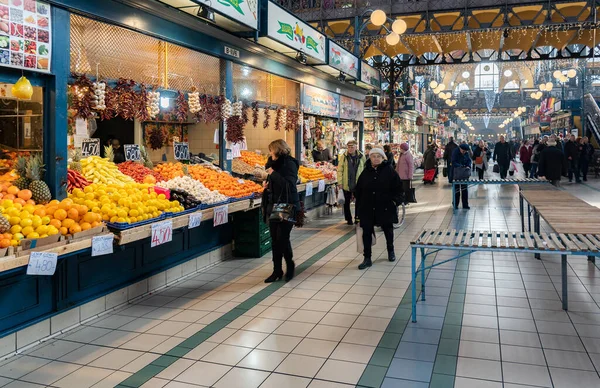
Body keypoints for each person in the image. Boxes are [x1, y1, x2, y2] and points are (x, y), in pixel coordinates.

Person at [355, 147, 403, 269]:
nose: (376, 158)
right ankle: (367, 258)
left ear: (383, 158)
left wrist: (394, 202)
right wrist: (359, 209)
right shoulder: (365, 172)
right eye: (373, 156)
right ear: (369, 158)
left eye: (378, 156)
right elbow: (358, 191)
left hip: (385, 206)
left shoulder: (390, 171)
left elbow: (399, 189)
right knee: (366, 232)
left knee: (388, 230)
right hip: (367, 207)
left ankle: (390, 251)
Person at [263, 139, 300, 283]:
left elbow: (289, 184)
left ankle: (290, 265)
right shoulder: (271, 163)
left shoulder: (289, 163)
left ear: (278, 150)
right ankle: (277, 270)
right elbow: (276, 183)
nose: (269, 152)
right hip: (274, 204)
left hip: (287, 204)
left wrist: (273, 174)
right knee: (274, 240)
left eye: (271, 150)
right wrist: (267, 185)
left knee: (282, 238)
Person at [337, 140, 366, 225]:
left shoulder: (361, 156)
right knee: (346, 202)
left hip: (358, 183)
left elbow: (365, 169)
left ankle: (357, 217)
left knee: (359, 202)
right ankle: (348, 218)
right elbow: (340, 170)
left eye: (352, 147)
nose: (350, 149)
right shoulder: (344, 157)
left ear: (356, 147)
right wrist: (340, 182)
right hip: (347, 183)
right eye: (349, 147)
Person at [452, 144, 472, 209]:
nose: (464, 152)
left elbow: (469, 160)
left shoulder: (466, 153)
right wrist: (461, 166)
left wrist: (468, 166)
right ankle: (455, 204)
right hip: (457, 173)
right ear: (460, 148)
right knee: (457, 190)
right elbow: (453, 162)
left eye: (465, 151)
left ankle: (465, 205)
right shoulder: (455, 152)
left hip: (464, 174)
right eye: (463, 151)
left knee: (464, 189)